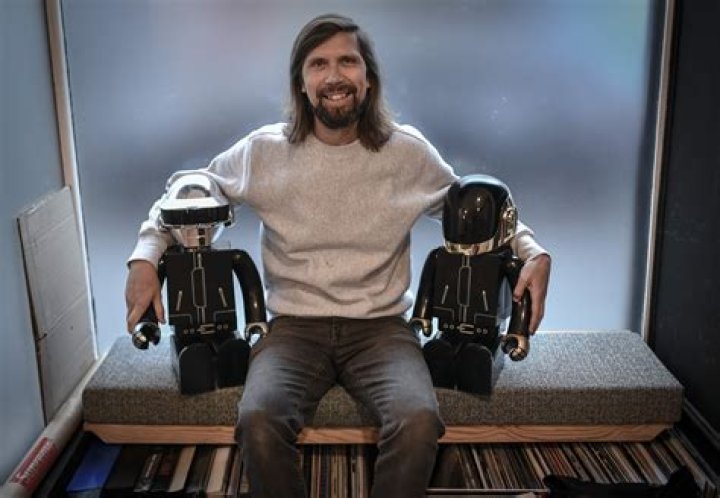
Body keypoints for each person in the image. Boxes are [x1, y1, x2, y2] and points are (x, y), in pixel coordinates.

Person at [125, 13, 551, 498]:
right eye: (319, 64)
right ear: (301, 83)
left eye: (347, 62)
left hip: (381, 328)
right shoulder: (263, 152)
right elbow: (186, 191)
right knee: (258, 421)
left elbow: (478, 204)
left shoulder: (406, 153)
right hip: (293, 328)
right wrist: (144, 258)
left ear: (368, 79)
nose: (334, 76)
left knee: (418, 421)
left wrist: (533, 252)